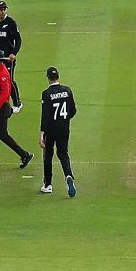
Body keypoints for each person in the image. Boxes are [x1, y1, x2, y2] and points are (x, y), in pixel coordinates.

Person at [38, 65, 78, 196]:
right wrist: (64, 120)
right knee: (63, 154)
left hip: (50, 130)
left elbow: (45, 115)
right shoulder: (67, 90)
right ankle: (68, 175)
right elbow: (73, 111)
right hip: (64, 129)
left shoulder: (46, 94)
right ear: (58, 77)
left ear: (48, 78)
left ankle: (48, 184)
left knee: (48, 155)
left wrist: (42, 134)